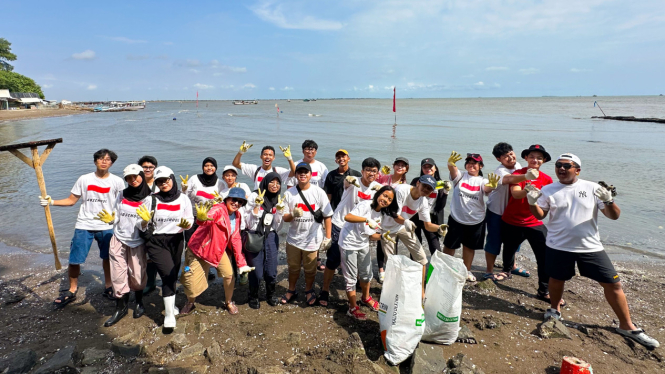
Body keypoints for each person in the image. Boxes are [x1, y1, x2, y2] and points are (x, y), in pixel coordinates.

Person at [528, 154, 660, 349]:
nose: (562, 169)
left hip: (590, 247)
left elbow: (613, 216)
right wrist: (532, 203)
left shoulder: (592, 188)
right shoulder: (548, 190)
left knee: (613, 283)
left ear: (577, 170)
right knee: (556, 279)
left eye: (567, 165)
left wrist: (609, 200)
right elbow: (541, 215)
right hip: (558, 245)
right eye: (558, 165)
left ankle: (627, 326)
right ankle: (554, 310)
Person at [41, 149, 125, 306]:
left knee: (108, 257)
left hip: (107, 225)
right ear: (95, 161)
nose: (104, 161)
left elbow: (122, 204)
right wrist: (51, 202)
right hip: (84, 224)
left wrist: (117, 219)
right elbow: (71, 200)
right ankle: (72, 290)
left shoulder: (117, 182)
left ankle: (108, 286)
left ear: (112, 163)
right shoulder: (84, 179)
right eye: (100, 158)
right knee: (75, 259)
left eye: (108, 159)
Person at [95, 164, 155, 326]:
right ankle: (120, 307)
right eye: (129, 178)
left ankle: (139, 302)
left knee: (137, 275)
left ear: (142, 175)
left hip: (137, 242)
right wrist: (111, 220)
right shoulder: (122, 194)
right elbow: (116, 215)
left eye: (135, 176)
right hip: (119, 239)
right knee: (117, 274)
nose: (133, 180)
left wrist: (144, 221)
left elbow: (147, 226)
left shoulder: (149, 198)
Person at [179, 188, 254, 315]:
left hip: (217, 249)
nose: (236, 203)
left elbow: (236, 238)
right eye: (234, 199)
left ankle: (229, 301)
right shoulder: (218, 209)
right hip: (200, 249)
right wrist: (202, 219)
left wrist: (241, 263)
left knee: (229, 275)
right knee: (191, 281)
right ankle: (190, 302)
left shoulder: (237, 215)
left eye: (240, 202)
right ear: (227, 199)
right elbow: (208, 219)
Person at [319, 157, 382, 307]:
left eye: (374, 171)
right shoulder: (354, 182)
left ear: (378, 173)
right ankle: (325, 290)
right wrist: (350, 180)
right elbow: (347, 181)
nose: (370, 173)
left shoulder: (377, 188)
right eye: (367, 170)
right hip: (340, 224)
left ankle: (364, 296)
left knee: (362, 262)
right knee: (333, 260)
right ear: (362, 171)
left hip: (360, 229)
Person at [499, 145, 556, 304]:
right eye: (532, 156)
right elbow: (516, 194)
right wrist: (528, 190)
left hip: (534, 222)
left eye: (539, 157)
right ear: (526, 158)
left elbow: (548, 205)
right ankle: (506, 271)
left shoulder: (547, 180)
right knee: (509, 249)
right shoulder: (518, 174)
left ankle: (543, 290)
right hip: (512, 220)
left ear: (544, 161)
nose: (535, 160)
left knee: (544, 256)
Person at [142, 166, 194, 329]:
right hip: (156, 241)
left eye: (166, 180)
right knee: (168, 274)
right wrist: (143, 221)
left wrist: (187, 225)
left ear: (172, 179)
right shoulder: (151, 199)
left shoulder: (183, 198)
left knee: (173, 272)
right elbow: (141, 224)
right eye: (159, 181)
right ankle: (169, 316)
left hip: (176, 240)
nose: (164, 183)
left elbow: (189, 219)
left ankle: (170, 305)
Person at [379, 175, 449, 292]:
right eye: (424, 186)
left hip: (403, 226)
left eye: (429, 189)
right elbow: (394, 214)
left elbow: (428, 225)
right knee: (392, 262)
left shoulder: (423, 202)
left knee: (422, 259)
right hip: (387, 227)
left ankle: (420, 291)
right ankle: (391, 291)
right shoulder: (402, 190)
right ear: (418, 183)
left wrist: (439, 228)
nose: (426, 190)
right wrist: (405, 221)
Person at [339, 186, 399, 320]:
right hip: (348, 242)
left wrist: (383, 237)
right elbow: (348, 217)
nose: (386, 200)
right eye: (384, 195)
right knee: (351, 277)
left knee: (366, 274)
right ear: (378, 194)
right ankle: (352, 307)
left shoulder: (381, 215)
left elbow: (371, 236)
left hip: (363, 243)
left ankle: (366, 297)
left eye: (389, 199)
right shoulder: (365, 205)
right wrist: (366, 219)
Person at [281, 162, 334, 306]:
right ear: (296, 175)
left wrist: (328, 238)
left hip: (312, 238)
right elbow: (284, 217)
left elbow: (327, 215)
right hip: (293, 239)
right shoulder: (289, 193)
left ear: (311, 174)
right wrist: (292, 214)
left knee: (310, 269)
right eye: (300, 172)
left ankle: (309, 290)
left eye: (306, 172)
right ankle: (291, 290)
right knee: (293, 267)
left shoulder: (319, 192)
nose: (302, 174)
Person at [442, 152, 500, 281]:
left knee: (469, 247)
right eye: (469, 162)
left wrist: (493, 186)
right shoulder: (461, 176)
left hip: (475, 220)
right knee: (449, 246)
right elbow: (453, 170)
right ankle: (444, 268)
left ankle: (466, 271)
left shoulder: (482, 180)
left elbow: (487, 189)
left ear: (480, 166)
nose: (471, 165)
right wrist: (450, 163)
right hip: (456, 218)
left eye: (475, 163)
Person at [483, 143, 528, 281]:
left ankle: (511, 265)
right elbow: (509, 179)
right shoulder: (500, 171)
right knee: (494, 241)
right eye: (505, 156)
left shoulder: (519, 166)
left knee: (513, 241)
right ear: (499, 159)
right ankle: (489, 270)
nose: (510, 157)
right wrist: (527, 175)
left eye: (511, 153)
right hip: (497, 212)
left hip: (513, 212)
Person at [244, 172, 285, 308]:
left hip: (271, 236)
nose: (275, 185)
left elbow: (278, 227)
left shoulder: (279, 199)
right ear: (265, 182)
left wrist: (279, 212)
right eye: (272, 182)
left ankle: (270, 294)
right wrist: (256, 206)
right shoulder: (255, 196)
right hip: (255, 234)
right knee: (256, 270)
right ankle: (253, 295)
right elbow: (247, 222)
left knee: (272, 268)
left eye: (278, 183)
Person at [375, 157, 409, 282]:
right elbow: (374, 183)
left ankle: (391, 267)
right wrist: (380, 174)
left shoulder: (404, 185)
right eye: (398, 165)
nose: (400, 167)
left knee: (393, 243)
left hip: (393, 219)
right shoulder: (386, 178)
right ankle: (381, 270)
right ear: (393, 166)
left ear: (406, 169)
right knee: (380, 242)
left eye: (403, 166)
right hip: (379, 215)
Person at [408, 158, 450, 256]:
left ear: (435, 168)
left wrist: (446, 192)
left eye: (430, 167)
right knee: (415, 246)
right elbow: (410, 199)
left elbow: (440, 206)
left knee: (435, 247)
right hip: (415, 216)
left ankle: (436, 269)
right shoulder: (416, 181)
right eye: (425, 167)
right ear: (422, 169)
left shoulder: (440, 184)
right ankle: (415, 268)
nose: (428, 169)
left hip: (431, 218)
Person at [180, 157, 224, 244]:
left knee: (206, 244)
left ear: (216, 167)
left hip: (209, 219)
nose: (209, 168)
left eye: (212, 165)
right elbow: (183, 197)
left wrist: (220, 199)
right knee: (190, 243)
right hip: (193, 217)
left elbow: (223, 202)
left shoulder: (220, 183)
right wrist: (184, 189)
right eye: (206, 166)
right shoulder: (194, 179)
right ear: (202, 167)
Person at [138, 155, 161, 295]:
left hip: (157, 223)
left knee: (153, 253)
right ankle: (143, 280)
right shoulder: (135, 182)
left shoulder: (159, 184)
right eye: (144, 167)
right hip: (139, 221)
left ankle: (151, 282)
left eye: (150, 167)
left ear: (155, 169)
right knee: (141, 252)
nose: (147, 169)